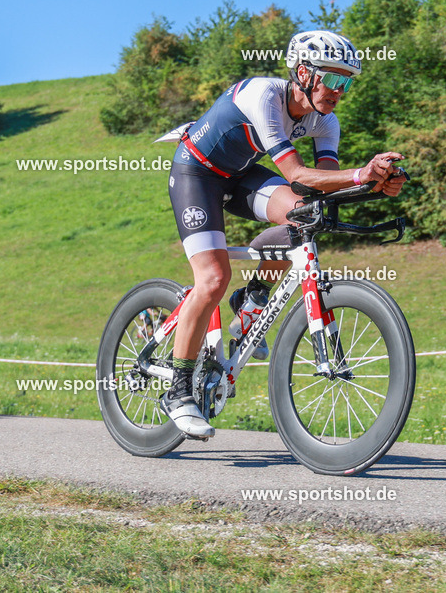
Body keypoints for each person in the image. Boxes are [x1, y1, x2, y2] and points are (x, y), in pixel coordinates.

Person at [163, 30, 406, 438]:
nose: (338, 91)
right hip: (197, 173)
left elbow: (325, 184)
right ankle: (178, 389)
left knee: (305, 213)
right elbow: (295, 174)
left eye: (346, 82)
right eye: (332, 78)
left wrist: (374, 183)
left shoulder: (326, 122)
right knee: (212, 278)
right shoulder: (264, 97)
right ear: (303, 72)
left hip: (240, 175)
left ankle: (252, 297)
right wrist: (361, 173)